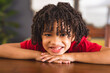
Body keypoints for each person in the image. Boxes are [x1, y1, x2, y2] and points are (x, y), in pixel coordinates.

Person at [0, 2, 110, 64]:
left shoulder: (79, 44)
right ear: (40, 34)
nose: (55, 42)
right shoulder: (38, 44)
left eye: (63, 34)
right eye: (48, 34)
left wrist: (71, 57)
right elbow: (2, 49)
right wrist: (38, 55)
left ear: (73, 36)